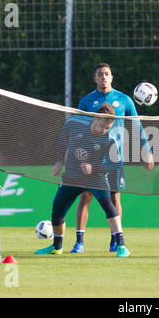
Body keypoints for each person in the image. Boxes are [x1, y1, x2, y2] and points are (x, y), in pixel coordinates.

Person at [71, 63, 154, 254]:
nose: (104, 77)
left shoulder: (124, 100)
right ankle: (79, 241)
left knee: (115, 196)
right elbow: (78, 128)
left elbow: (137, 127)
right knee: (86, 195)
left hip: (114, 158)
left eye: (107, 74)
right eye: (100, 74)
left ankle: (115, 239)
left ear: (112, 77)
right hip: (90, 157)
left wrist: (147, 151)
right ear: (95, 79)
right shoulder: (86, 101)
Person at [35, 103, 130, 257]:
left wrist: (94, 168)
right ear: (95, 118)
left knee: (108, 205)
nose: (105, 130)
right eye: (103, 126)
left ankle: (122, 246)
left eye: (108, 127)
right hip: (71, 177)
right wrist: (59, 162)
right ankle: (56, 247)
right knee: (57, 209)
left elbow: (115, 165)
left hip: (96, 179)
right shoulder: (73, 123)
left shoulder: (110, 139)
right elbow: (62, 142)